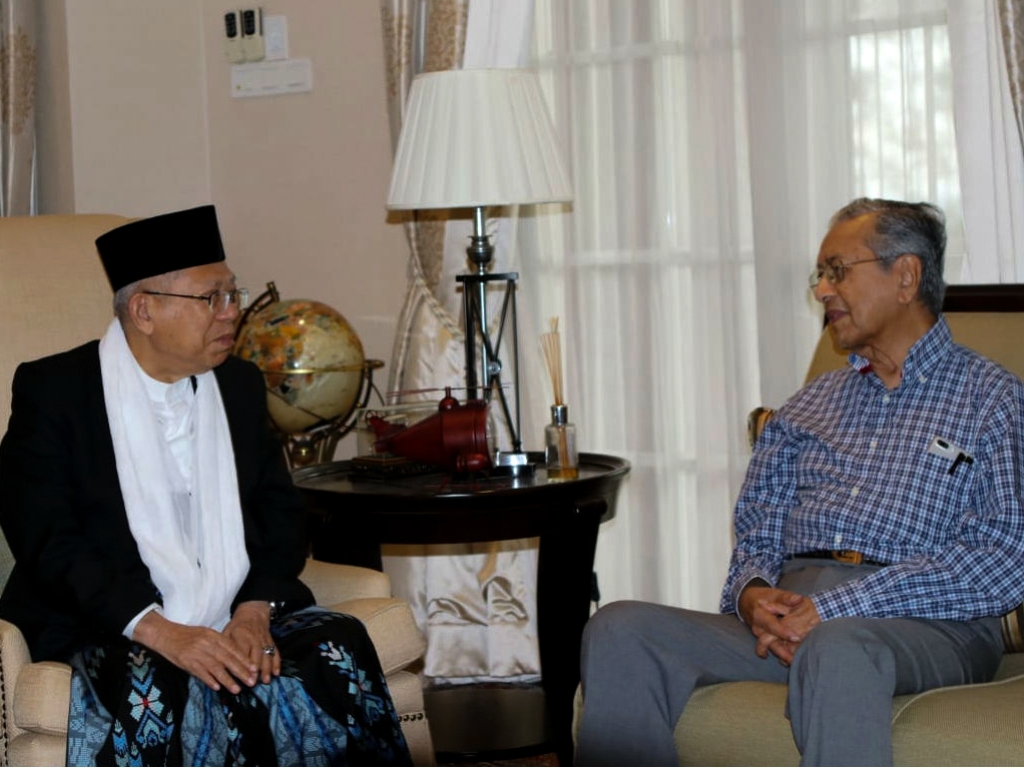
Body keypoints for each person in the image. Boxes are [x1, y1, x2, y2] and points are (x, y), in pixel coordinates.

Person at [574, 198, 1024, 766]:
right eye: (820, 275)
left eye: (838, 270)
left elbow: (1001, 558)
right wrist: (753, 594)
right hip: (797, 613)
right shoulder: (808, 405)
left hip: (928, 622)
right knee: (619, 629)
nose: (823, 291)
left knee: (837, 646)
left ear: (906, 276)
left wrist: (840, 607)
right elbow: (758, 530)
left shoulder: (992, 399)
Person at [0, 206, 412, 766]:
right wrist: (161, 631)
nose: (231, 312)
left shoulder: (237, 384)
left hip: (232, 611)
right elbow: (46, 538)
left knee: (335, 641)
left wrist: (253, 610)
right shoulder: (56, 391)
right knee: (156, 686)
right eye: (211, 298)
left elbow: (280, 512)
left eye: (232, 294)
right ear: (144, 310)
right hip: (107, 623)